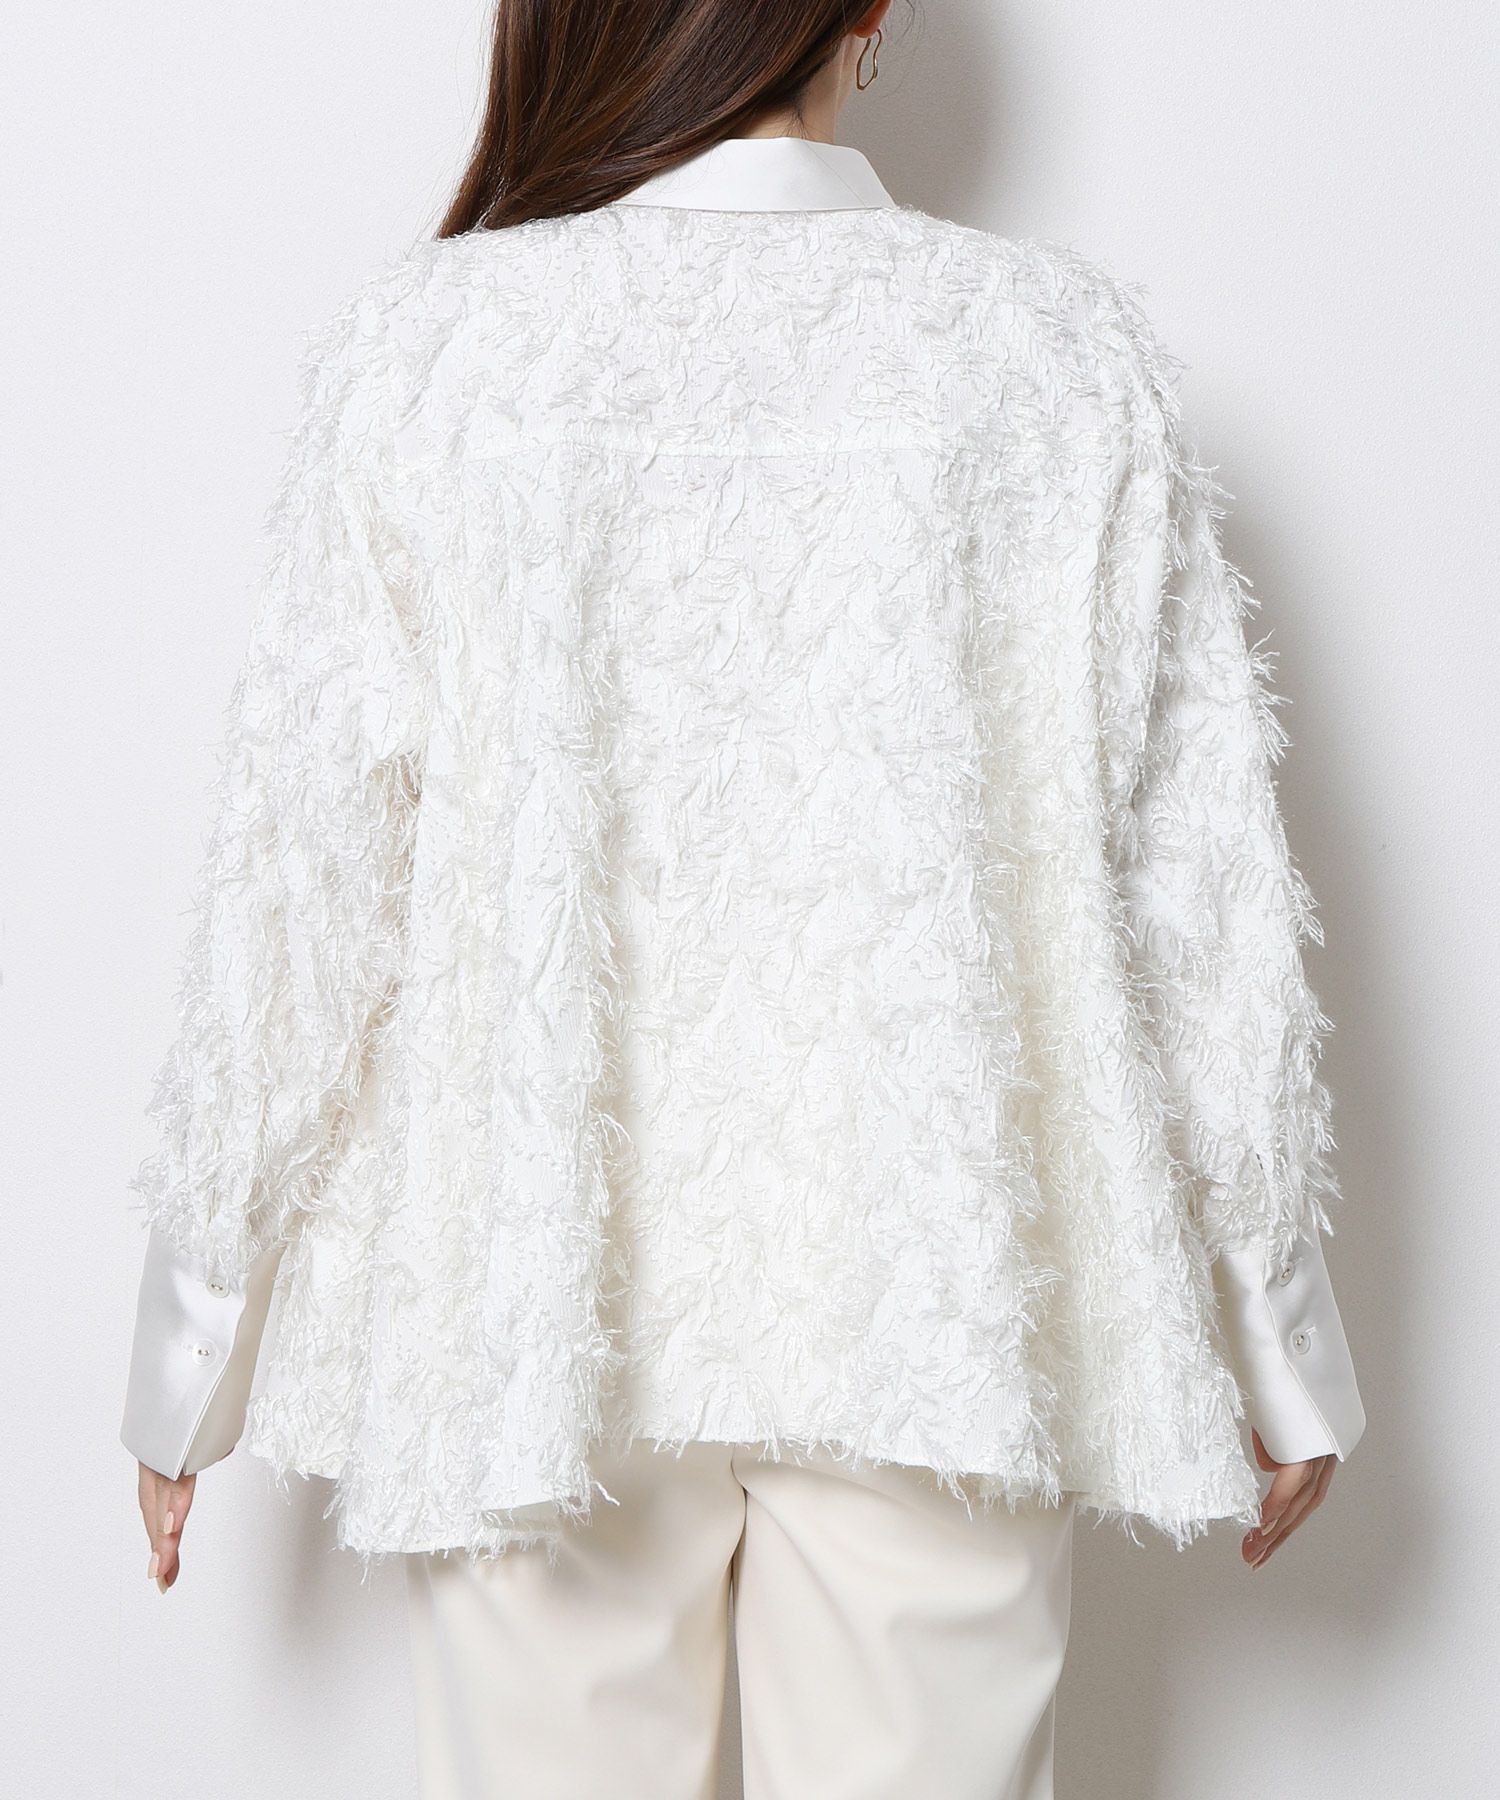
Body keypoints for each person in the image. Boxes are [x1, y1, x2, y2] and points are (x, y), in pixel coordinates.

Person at [120, 3, 1367, 1794]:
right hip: (936, 1297)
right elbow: (1201, 889)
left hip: (532, 1310)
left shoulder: (436, 355)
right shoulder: (1051, 356)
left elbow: (301, 881)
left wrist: (193, 1340)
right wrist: (1277, 1330)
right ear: (870, 12)